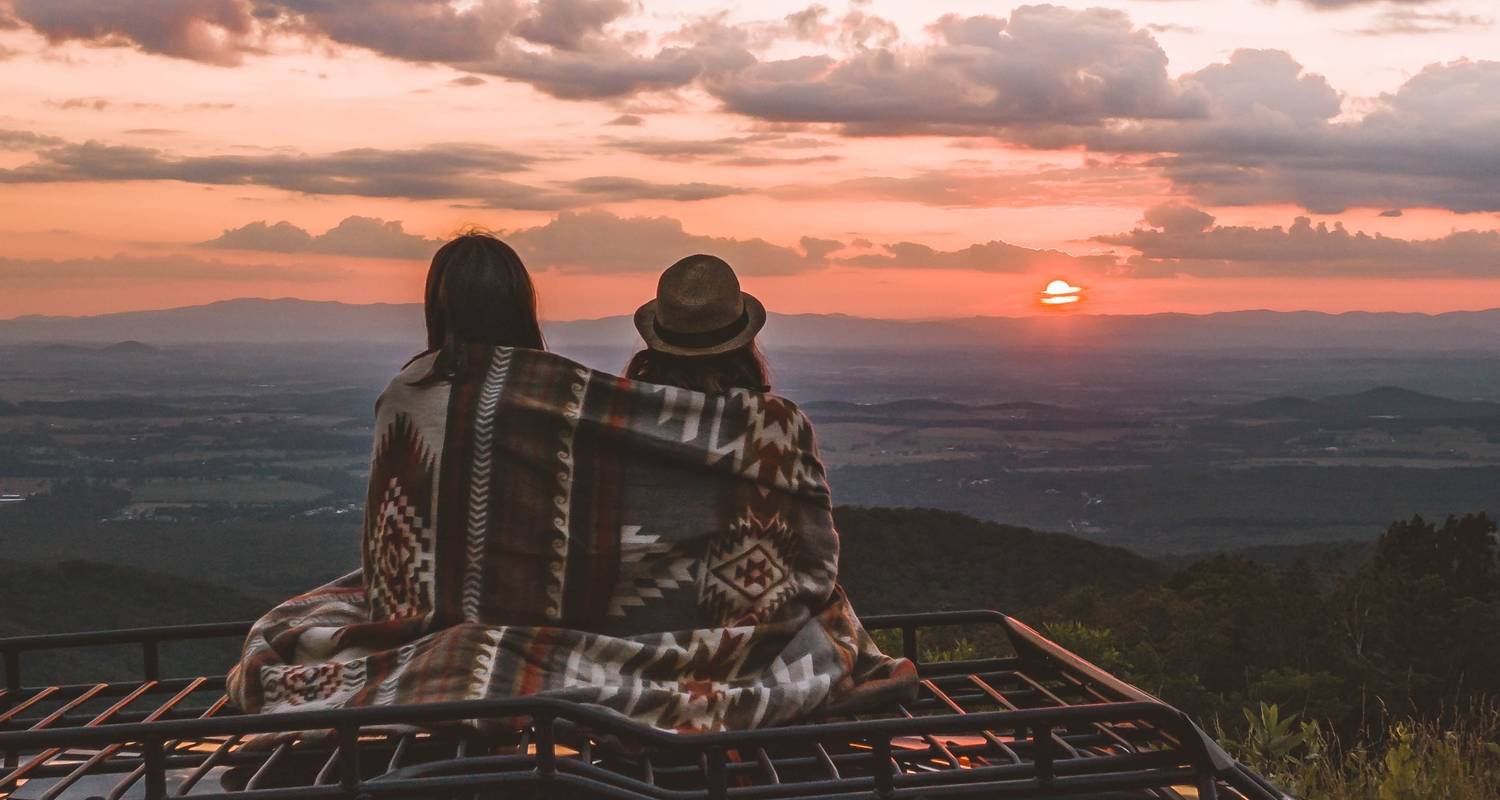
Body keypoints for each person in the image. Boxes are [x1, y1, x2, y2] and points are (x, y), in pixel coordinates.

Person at [228, 240, 915, 734]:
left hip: (468, 618)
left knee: (306, 617)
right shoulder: (768, 427)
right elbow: (811, 566)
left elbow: (398, 560)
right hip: (715, 638)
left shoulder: (418, 394)